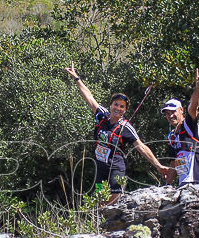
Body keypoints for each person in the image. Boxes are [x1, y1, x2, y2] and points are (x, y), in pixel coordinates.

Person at [64, 64, 172, 204]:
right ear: (110, 105)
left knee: (113, 203)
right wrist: (76, 78)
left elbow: (141, 147)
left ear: (125, 110)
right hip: (100, 169)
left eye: (122, 106)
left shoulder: (126, 127)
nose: (118, 108)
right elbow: (89, 97)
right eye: (116, 104)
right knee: (99, 203)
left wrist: (158, 166)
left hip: (116, 169)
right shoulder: (102, 115)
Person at [162, 69, 199, 190]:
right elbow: (173, 162)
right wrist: (166, 185)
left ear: (181, 110)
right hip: (183, 181)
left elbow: (193, 108)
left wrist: (198, 88)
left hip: (195, 177)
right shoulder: (172, 136)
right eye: (167, 114)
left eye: (173, 112)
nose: (170, 116)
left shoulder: (188, 125)